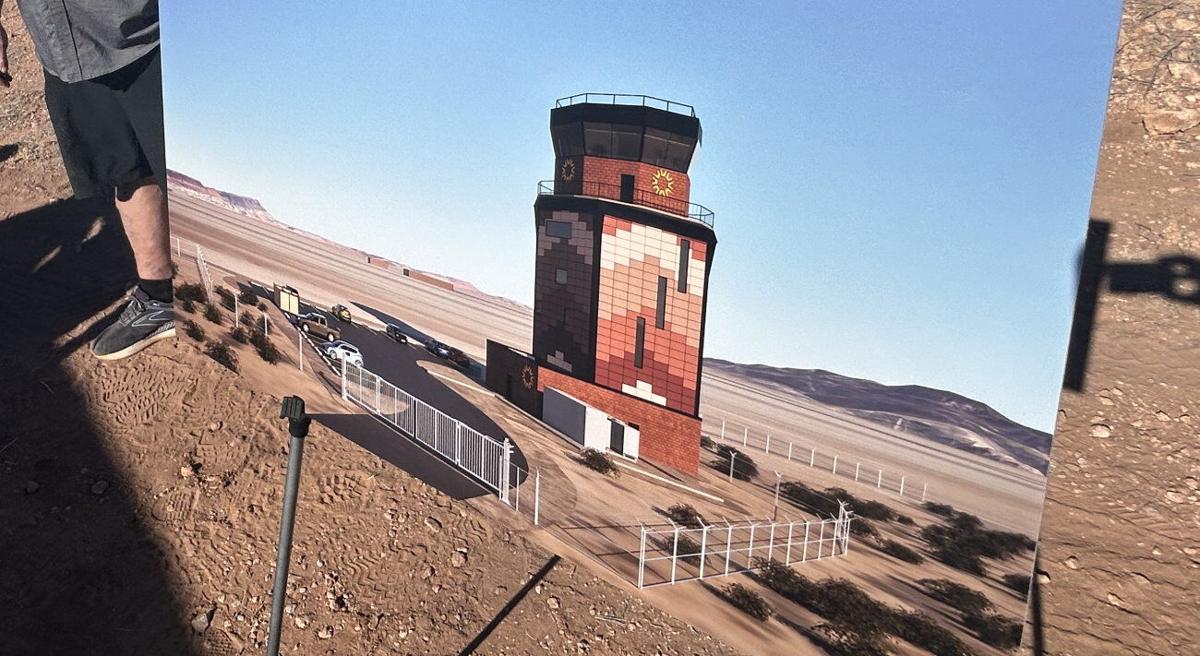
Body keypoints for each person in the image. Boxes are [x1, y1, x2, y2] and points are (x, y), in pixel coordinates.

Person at [0, 0, 175, 360]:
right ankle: (158, 298)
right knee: (125, 170)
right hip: (64, 46)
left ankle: (234, 312)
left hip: (148, 34)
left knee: (193, 168)